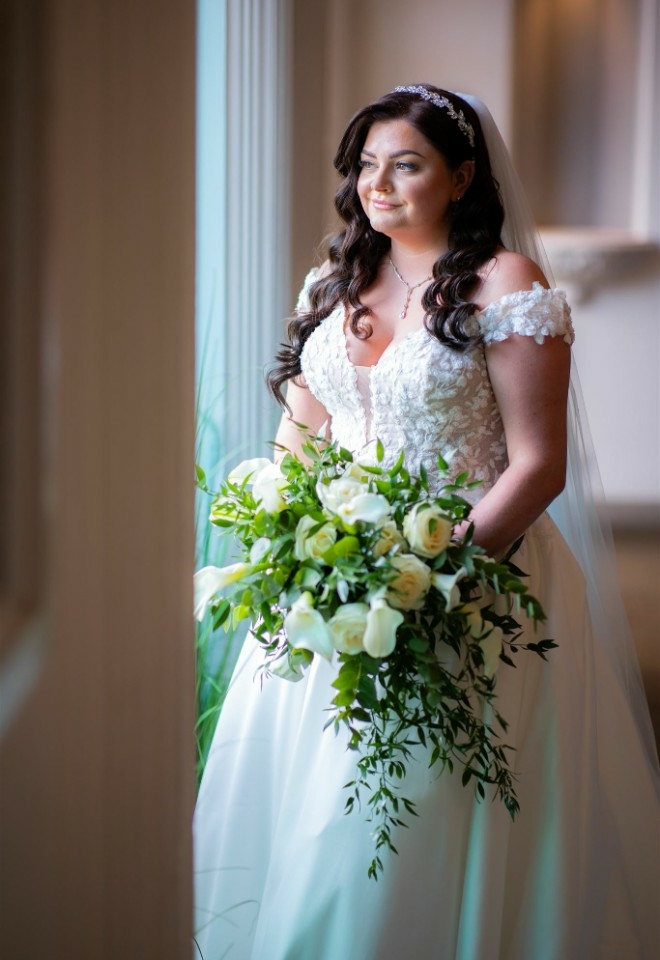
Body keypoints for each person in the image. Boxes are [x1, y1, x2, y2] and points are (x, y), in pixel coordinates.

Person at [193, 85, 659, 959]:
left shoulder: (506, 283)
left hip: (474, 579)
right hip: (334, 580)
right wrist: (295, 546)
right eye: (368, 165)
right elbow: (302, 439)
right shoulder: (333, 281)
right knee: (305, 801)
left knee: (421, 807)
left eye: (407, 164)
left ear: (463, 175)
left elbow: (538, 464)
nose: (381, 184)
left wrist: (440, 579)